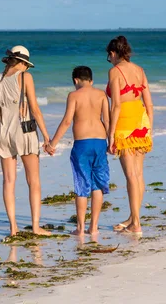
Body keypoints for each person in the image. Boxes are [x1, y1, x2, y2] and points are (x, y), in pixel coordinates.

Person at [0, 45, 51, 237]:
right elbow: (35, 109)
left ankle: (13, 228)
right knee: (33, 181)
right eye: (27, 65)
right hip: (24, 132)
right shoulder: (25, 77)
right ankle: (36, 227)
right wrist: (47, 137)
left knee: (8, 181)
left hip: (3, 134)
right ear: (22, 63)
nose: (27, 69)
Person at [45, 66, 110, 236]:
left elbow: (67, 121)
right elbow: (107, 121)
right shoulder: (101, 95)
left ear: (75, 80)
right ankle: (94, 227)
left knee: (82, 183)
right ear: (91, 80)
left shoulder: (74, 95)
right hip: (100, 141)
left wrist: (52, 143)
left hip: (82, 143)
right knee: (97, 185)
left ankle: (80, 228)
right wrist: (112, 141)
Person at [105, 36, 154, 235]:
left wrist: (110, 134)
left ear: (113, 54)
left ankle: (136, 224)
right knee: (139, 174)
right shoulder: (140, 70)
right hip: (141, 122)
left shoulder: (115, 71)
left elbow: (116, 105)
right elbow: (149, 104)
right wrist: (149, 127)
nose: (110, 60)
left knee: (130, 176)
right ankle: (133, 218)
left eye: (109, 56)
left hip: (124, 124)